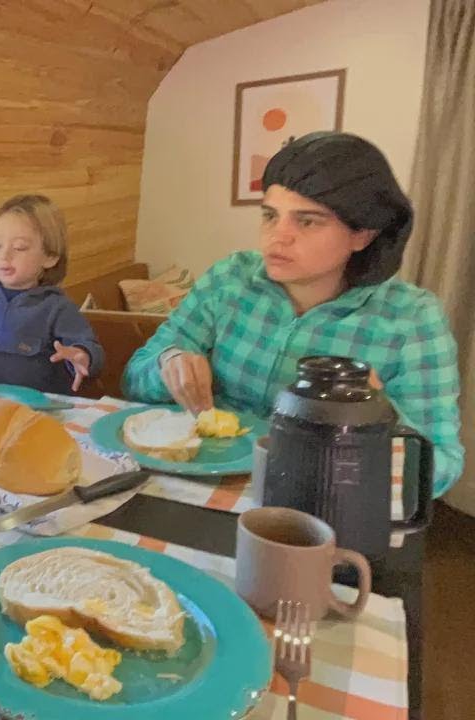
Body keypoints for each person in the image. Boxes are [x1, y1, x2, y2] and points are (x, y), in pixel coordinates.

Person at [122, 132, 463, 495]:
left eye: (308, 221)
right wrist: (168, 363)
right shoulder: (230, 278)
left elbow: (439, 469)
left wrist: (377, 416)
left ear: (362, 235)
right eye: (270, 215)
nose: (277, 237)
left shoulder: (411, 319)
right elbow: (133, 378)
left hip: (320, 497)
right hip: (197, 479)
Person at [0, 194, 103, 394]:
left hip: (39, 413)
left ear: (50, 257)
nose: (5, 255)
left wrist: (82, 355)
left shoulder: (58, 308)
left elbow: (91, 350)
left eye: (20, 247)